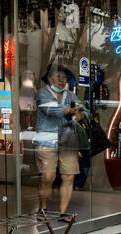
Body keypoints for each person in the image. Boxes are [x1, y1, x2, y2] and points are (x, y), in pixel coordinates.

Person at [34, 64, 84, 219]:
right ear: (49, 79)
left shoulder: (70, 95)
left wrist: (79, 114)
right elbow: (52, 110)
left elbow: (83, 112)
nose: (62, 80)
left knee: (69, 176)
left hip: (68, 139)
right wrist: (71, 111)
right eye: (58, 76)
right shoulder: (42, 93)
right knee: (48, 177)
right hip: (47, 140)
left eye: (64, 77)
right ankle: (43, 208)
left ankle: (63, 212)